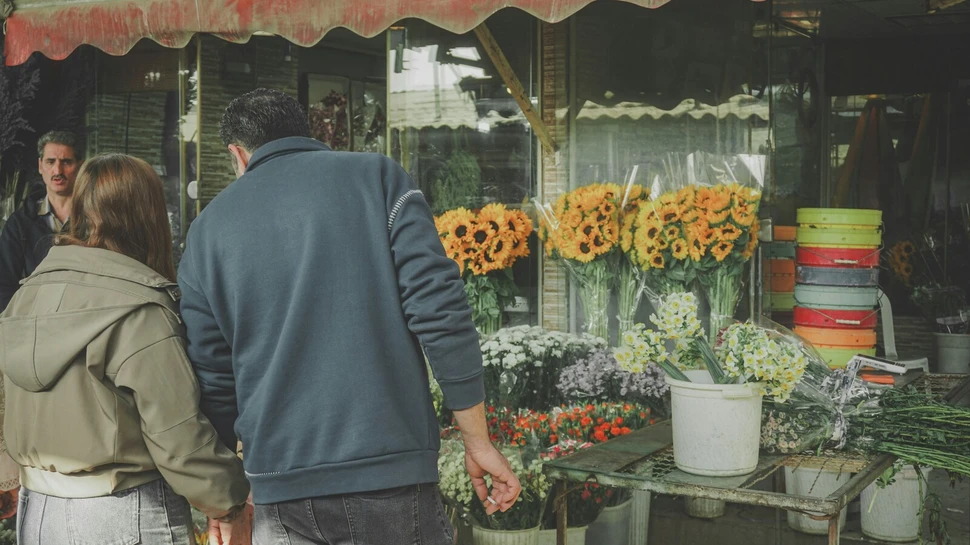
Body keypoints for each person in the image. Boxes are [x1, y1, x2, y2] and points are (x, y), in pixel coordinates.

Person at [178, 88, 521, 544]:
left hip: (279, 490)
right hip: (388, 478)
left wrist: (226, 501)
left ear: (238, 155)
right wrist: (477, 439)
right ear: (306, 133)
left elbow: (213, 378)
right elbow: (440, 309)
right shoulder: (377, 177)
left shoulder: (206, 231)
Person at [0, 154, 253, 545]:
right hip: (124, 513)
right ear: (148, 215)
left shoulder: (25, 297)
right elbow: (178, 437)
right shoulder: (139, 311)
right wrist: (229, 504)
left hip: (39, 512)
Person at [0, 130, 83, 311]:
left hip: (84, 318)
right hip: (34, 320)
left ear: (79, 166)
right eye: (50, 162)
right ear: (40, 166)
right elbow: (4, 284)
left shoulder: (94, 218)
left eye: (66, 162)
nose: (58, 171)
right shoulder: (19, 223)